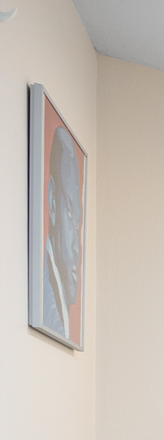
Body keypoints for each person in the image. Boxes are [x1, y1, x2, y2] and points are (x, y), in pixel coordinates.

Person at [43, 125, 82, 341]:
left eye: (78, 224)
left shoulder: (57, 307)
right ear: (52, 203)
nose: (77, 246)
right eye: (70, 214)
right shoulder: (44, 298)